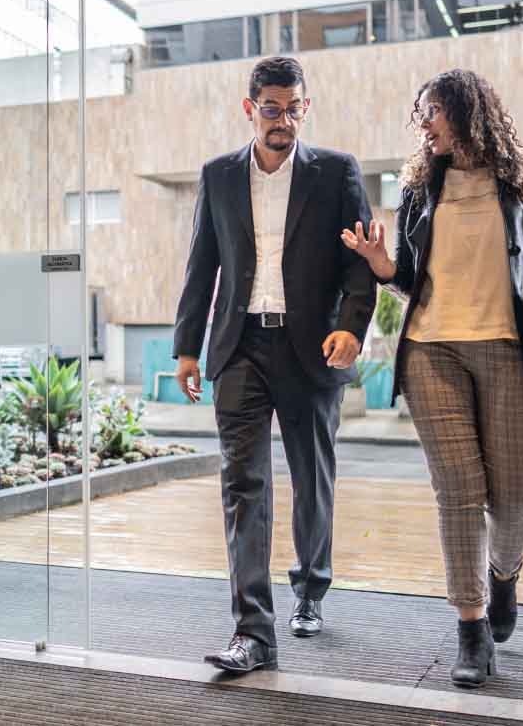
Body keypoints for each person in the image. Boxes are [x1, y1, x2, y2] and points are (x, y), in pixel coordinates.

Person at [341, 69, 523, 688]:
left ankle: (505, 577)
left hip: (508, 349)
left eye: (432, 112)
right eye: (421, 114)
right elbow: (410, 277)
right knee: (458, 493)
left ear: (466, 111)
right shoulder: (421, 185)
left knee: (514, 501)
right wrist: (381, 265)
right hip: (432, 351)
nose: (424, 124)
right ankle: (471, 630)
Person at [173, 56, 376, 674]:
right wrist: (187, 347)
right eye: (272, 109)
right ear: (250, 109)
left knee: (312, 476)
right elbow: (201, 263)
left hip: (311, 347)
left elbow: (358, 264)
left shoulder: (336, 172)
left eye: (294, 109)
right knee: (243, 486)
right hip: (239, 347)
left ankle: (311, 587)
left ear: (305, 108)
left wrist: (351, 327)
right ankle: (253, 632)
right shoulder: (218, 175)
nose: (283, 120)